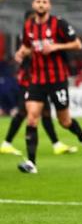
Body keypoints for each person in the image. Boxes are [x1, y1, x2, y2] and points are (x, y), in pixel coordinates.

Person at [13, 0, 82, 174]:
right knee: (32, 117)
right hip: (37, 79)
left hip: (57, 80)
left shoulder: (59, 24)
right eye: (38, 1)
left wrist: (56, 46)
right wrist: (21, 52)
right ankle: (31, 163)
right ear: (33, 5)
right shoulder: (28, 26)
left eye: (44, 2)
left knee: (64, 121)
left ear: (49, 6)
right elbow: (27, 46)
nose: (41, 4)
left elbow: (78, 44)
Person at [2, 12, 77, 157]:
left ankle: (56, 144)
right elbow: (29, 53)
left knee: (43, 112)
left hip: (40, 80)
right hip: (30, 79)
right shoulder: (28, 35)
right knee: (24, 112)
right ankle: (7, 143)